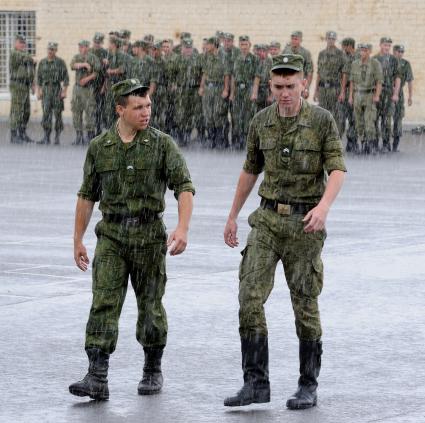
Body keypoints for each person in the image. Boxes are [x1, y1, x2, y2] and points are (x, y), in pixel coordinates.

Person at [223, 54, 346, 409]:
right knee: (249, 296)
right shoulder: (261, 122)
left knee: (304, 303)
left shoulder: (322, 121)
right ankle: (256, 382)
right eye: (278, 87)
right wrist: (232, 215)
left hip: (306, 223)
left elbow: (337, 169)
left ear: (303, 84)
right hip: (267, 220)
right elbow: (250, 170)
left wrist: (323, 207)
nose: (285, 93)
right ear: (271, 85)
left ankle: (308, 384)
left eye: (291, 86)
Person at [69, 78, 195, 401]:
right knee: (103, 303)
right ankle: (97, 375)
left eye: (148, 106)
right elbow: (87, 195)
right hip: (111, 235)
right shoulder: (100, 147)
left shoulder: (162, 144)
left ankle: (152, 368)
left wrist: (182, 228)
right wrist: (78, 239)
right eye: (138, 107)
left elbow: (184, 186)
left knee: (150, 306)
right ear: (120, 109)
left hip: (148, 236)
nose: (146, 112)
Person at [349, 44, 383, 154]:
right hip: (358, 95)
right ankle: (363, 143)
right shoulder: (355, 64)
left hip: (369, 94)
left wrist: (377, 95)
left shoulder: (375, 63)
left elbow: (379, 81)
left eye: (365, 51)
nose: (362, 53)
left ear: (369, 52)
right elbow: (352, 81)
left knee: (369, 121)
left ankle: (371, 144)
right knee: (359, 122)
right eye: (361, 50)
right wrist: (350, 96)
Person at [199, 36, 230, 148]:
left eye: (208, 44)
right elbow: (205, 73)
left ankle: (220, 139)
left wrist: (226, 89)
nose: (206, 46)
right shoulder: (207, 57)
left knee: (218, 114)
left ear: (213, 45)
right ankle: (211, 139)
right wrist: (202, 87)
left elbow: (226, 75)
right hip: (208, 88)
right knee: (208, 114)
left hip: (219, 88)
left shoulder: (223, 57)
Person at [36, 42, 69, 145]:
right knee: (46, 114)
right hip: (46, 90)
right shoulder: (42, 62)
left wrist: (64, 91)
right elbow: (39, 79)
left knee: (58, 113)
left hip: (56, 89)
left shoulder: (60, 62)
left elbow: (66, 78)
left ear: (56, 50)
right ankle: (46, 136)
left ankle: (57, 137)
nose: (50, 51)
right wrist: (39, 91)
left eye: (53, 49)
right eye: (49, 49)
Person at [313, 31, 345, 136]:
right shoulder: (321, 54)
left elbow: (344, 74)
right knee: (322, 113)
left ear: (335, 40)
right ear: (326, 39)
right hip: (323, 88)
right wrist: (315, 91)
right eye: (329, 38)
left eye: (333, 39)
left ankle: (336, 138)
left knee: (336, 115)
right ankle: (323, 137)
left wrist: (342, 92)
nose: (331, 40)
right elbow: (319, 72)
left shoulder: (340, 54)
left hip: (334, 88)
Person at [229, 35, 258, 149]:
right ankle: (237, 140)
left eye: (246, 44)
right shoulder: (235, 58)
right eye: (242, 44)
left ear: (249, 45)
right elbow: (233, 77)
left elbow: (257, 77)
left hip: (248, 89)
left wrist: (254, 92)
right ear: (239, 45)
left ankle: (247, 141)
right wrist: (232, 93)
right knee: (236, 115)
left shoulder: (254, 59)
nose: (244, 47)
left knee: (248, 115)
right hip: (238, 90)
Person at [373, 37, 401, 152]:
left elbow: (397, 77)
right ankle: (374, 143)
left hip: (388, 92)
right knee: (374, 118)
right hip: (376, 92)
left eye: (389, 46)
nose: (387, 48)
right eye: (385, 45)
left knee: (386, 119)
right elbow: (371, 77)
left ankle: (385, 143)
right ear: (380, 45)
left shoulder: (394, 60)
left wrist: (396, 93)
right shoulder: (374, 59)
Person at [70, 40, 100, 145]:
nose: (81, 49)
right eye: (80, 47)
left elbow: (97, 72)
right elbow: (72, 65)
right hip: (77, 88)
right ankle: (79, 136)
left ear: (87, 47)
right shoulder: (77, 57)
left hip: (88, 88)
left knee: (90, 112)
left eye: (83, 47)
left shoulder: (93, 58)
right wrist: (84, 64)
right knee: (76, 111)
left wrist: (87, 79)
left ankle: (90, 136)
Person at [9, 34, 36, 144]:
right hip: (17, 85)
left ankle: (22, 133)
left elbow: (30, 71)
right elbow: (25, 58)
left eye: (23, 43)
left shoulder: (25, 54)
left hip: (25, 86)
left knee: (26, 111)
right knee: (17, 110)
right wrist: (31, 59)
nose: (22, 45)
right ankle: (14, 135)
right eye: (20, 42)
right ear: (15, 43)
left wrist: (32, 84)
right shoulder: (14, 53)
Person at [392, 44, 413, 152]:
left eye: (402, 52)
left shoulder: (405, 64)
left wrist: (410, 96)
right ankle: (384, 143)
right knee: (384, 118)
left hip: (399, 93)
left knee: (398, 117)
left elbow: (410, 81)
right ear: (394, 51)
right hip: (386, 91)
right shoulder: (389, 61)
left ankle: (395, 144)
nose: (400, 53)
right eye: (398, 51)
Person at [340, 37, 358, 152]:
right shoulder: (355, 56)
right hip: (356, 91)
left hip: (350, 90)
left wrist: (342, 91)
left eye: (344, 46)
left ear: (349, 46)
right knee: (352, 118)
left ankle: (351, 142)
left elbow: (345, 76)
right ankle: (352, 142)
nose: (342, 48)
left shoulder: (352, 58)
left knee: (349, 117)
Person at [283, 31, 313, 99]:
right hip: (287, 84)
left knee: (300, 107)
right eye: (292, 39)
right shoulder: (286, 51)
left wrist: (306, 88)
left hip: (300, 85)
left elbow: (309, 72)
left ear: (300, 40)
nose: (293, 41)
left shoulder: (305, 53)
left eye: (296, 39)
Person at [90, 32, 108, 136]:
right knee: (91, 109)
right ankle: (91, 131)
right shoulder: (90, 52)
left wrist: (104, 85)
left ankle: (98, 130)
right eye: (95, 42)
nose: (96, 44)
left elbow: (106, 71)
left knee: (99, 109)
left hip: (100, 84)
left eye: (98, 42)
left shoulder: (104, 53)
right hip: (90, 84)